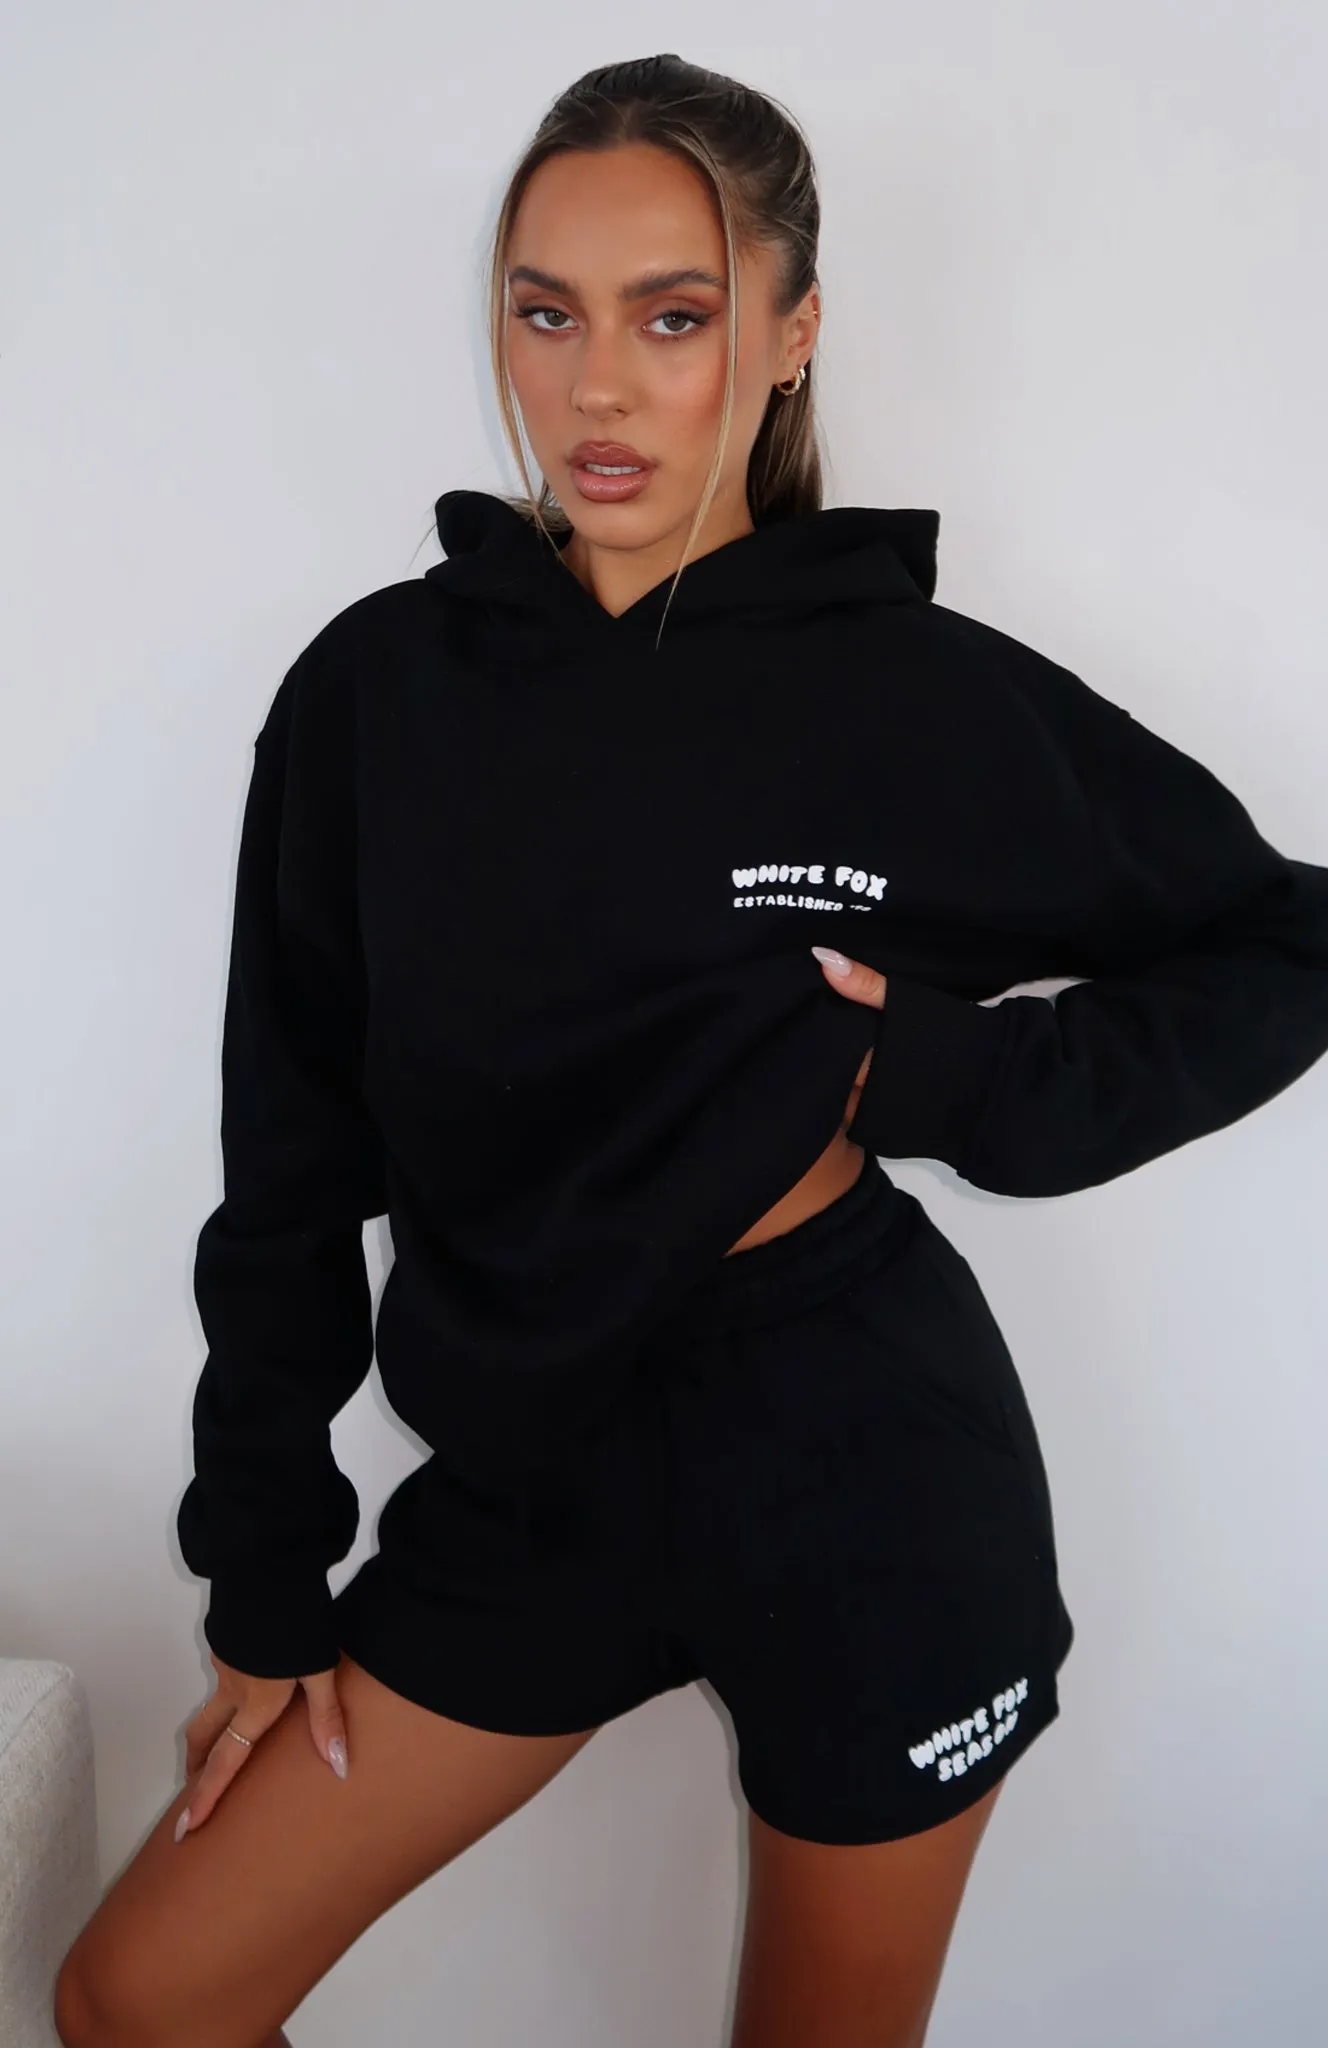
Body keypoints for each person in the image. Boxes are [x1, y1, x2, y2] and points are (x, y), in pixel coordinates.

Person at [54, 51, 1328, 2048]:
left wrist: (949, 1081)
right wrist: (266, 1575)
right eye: (545, 313)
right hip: (531, 1472)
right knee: (142, 1997)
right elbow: (287, 1158)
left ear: (791, 333)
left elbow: (1282, 938)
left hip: (862, 1462)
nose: (597, 389)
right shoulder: (379, 697)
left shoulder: (908, 700)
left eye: (673, 317)